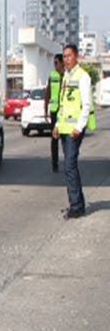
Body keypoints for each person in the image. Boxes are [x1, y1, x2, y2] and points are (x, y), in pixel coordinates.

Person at [53, 43, 93, 219]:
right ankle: (77, 203)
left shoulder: (83, 77)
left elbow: (86, 105)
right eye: (64, 57)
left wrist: (79, 127)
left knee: (70, 166)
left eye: (69, 56)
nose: (66, 59)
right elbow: (63, 104)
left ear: (76, 57)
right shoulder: (66, 77)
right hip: (64, 128)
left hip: (74, 130)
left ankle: (76, 206)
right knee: (69, 167)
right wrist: (57, 125)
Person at [48, 54, 63, 172]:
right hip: (54, 110)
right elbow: (47, 92)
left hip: (65, 112)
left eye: (56, 63)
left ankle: (69, 161)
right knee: (54, 138)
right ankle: (55, 163)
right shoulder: (52, 75)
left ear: (62, 63)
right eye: (54, 63)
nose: (55, 65)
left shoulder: (68, 76)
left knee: (66, 138)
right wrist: (45, 108)